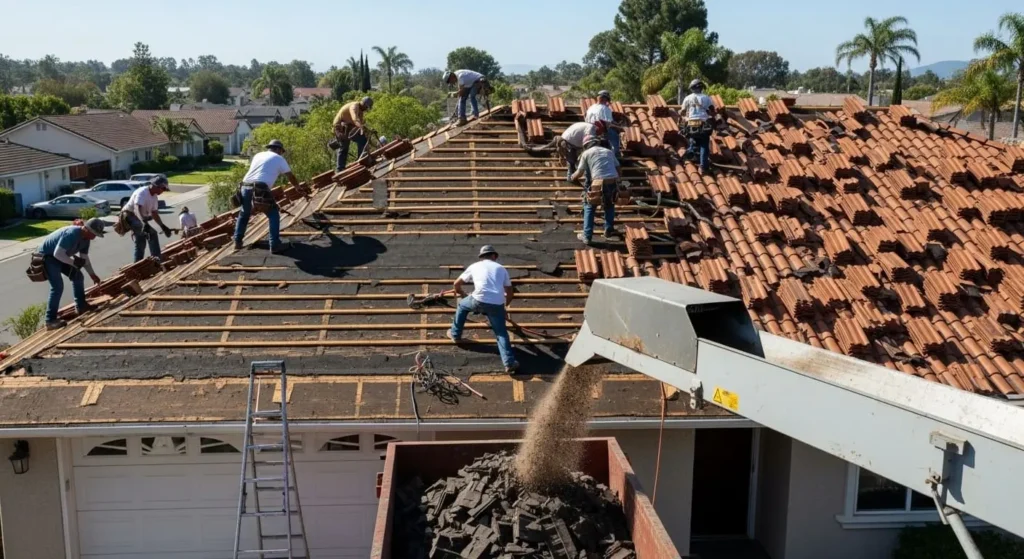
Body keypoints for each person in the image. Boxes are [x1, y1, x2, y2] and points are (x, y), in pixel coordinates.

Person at [448, 245, 520, 374]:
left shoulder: (475, 266)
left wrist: (462, 294)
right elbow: (509, 291)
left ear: (481, 257)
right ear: (494, 256)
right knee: (501, 333)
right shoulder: (501, 269)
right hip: (496, 305)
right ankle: (509, 363)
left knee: (462, 306)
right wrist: (504, 307)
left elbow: (456, 284)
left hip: (477, 300)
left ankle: (455, 335)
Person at [35, 218, 106, 330]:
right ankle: (50, 321)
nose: (94, 237)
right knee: (57, 287)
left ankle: (81, 306)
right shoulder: (72, 234)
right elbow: (58, 253)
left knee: (78, 276)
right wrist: (74, 263)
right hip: (48, 257)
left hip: (60, 257)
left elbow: (84, 258)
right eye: (94, 233)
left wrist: (92, 274)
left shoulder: (86, 239)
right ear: (86, 229)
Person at [234, 139, 301, 254]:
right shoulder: (279, 158)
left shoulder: (258, 155)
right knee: (273, 214)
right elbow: (290, 176)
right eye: (281, 151)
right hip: (260, 187)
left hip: (244, 186)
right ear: (279, 150)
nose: (281, 153)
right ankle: (274, 244)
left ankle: (237, 242)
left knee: (244, 213)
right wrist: (297, 187)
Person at [571, 135, 621, 245]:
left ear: (586, 145)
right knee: (609, 205)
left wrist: (572, 177)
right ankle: (609, 229)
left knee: (589, 206)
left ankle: (587, 236)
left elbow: (579, 173)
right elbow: (618, 168)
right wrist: (618, 181)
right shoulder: (609, 152)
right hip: (612, 181)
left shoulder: (586, 153)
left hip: (597, 183)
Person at [121, 175, 172, 262]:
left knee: (141, 241)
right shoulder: (142, 192)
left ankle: (138, 263)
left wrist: (163, 226)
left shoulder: (154, 197)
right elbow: (137, 208)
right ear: (155, 185)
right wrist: (144, 222)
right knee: (152, 234)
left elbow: (154, 213)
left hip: (139, 217)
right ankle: (157, 260)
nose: (163, 191)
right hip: (130, 215)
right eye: (163, 188)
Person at [682, 79, 717, 174]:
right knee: (704, 145)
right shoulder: (706, 98)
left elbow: (682, 112)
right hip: (702, 124)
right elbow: (713, 111)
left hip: (691, 124)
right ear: (701, 88)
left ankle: (690, 153)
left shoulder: (687, 98)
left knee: (693, 140)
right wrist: (711, 114)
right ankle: (703, 166)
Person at [331, 97, 374, 170]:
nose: (367, 109)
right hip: (340, 127)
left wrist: (365, 129)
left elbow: (359, 122)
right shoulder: (354, 106)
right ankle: (340, 169)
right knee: (344, 147)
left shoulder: (361, 111)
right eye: (366, 107)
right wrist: (361, 127)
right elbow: (355, 119)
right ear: (363, 104)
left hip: (349, 127)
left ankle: (362, 160)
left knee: (362, 139)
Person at [585, 90, 622, 157]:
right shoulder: (605, 109)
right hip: (600, 131)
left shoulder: (591, 107)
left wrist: (615, 123)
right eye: (606, 100)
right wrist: (619, 128)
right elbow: (607, 124)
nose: (607, 102)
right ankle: (615, 154)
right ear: (604, 99)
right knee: (614, 134)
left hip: (589, 131)